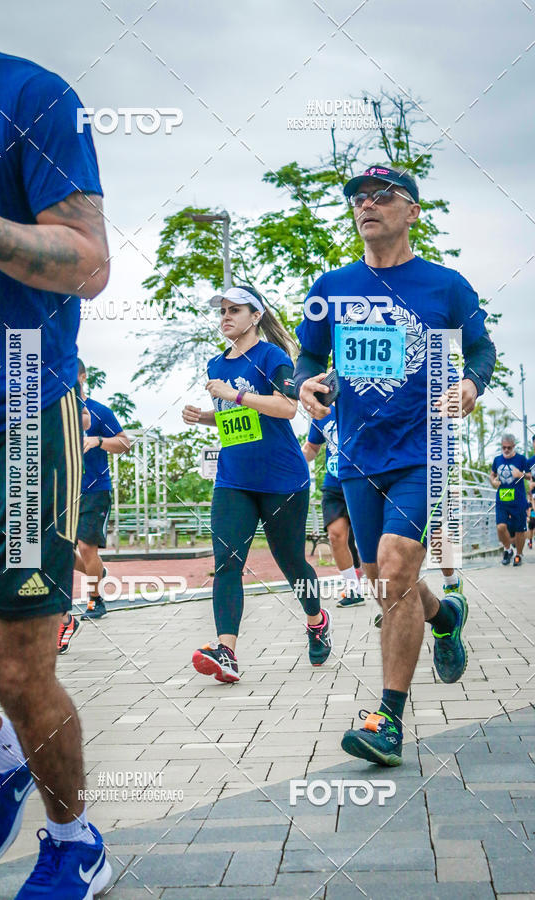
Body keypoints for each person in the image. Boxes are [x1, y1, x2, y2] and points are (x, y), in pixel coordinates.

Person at [0, 3, 112, 895]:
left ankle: (75, 841)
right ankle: (1, 756)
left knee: (12, 661)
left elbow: (89, 263)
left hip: (21, 412)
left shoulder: (34, 97)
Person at [294, 164, 496, 766]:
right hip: (356, 456)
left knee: (395, 565)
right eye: (359, 197)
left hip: (420, 451)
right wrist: (306, 384)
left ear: (412, 212)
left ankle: (388, 720)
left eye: (382, 196)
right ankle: (445, 615)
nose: (367, 204)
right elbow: (307, 354)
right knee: (384, 583)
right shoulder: (332, 287)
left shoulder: (445, 286)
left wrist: (470, 383)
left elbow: (481, 348)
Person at [183, 284, 331, 683]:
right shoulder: (216, 364)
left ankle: (316, 621)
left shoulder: (273, 357)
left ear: (256, 316)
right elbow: (236, 418)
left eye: (235, 310)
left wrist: (234, 394)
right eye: (222, 310)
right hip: (234, 479)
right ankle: (226, 652)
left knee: (292, 563)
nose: (226, 316)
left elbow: (287, 408)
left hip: (282, 479)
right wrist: (205, 417)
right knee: (227, 562)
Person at [57, 360, 131, 652]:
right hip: (63, 493)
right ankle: (97, 572)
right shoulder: (53, 412)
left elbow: (125, 444)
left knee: (87, 549)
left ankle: (95, 600)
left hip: (95, 491)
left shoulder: (100, 411)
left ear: (83, 377)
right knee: (61, 551)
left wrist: (98, 441)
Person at [302, 409, 364, 607]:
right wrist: (293, 460)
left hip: (364, 479)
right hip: (334, 482)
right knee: (336, 536)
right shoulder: (321, 410)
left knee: (373, 539)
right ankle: (353, 589)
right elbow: (312, 447)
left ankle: (392, 587)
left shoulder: (362, 400)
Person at [490, 433, 531, 566]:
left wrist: (521, 474)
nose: (506, 450)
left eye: (509, 447)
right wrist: (493, 482)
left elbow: (530, 476)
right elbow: (492, 475)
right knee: (500, 527)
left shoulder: (521, 459)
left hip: (518, 500)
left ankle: (518, 554)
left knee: (520, 530)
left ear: (514, 446)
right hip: (502, 499)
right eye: (504, 447)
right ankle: (508, 550)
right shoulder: (497, 459)